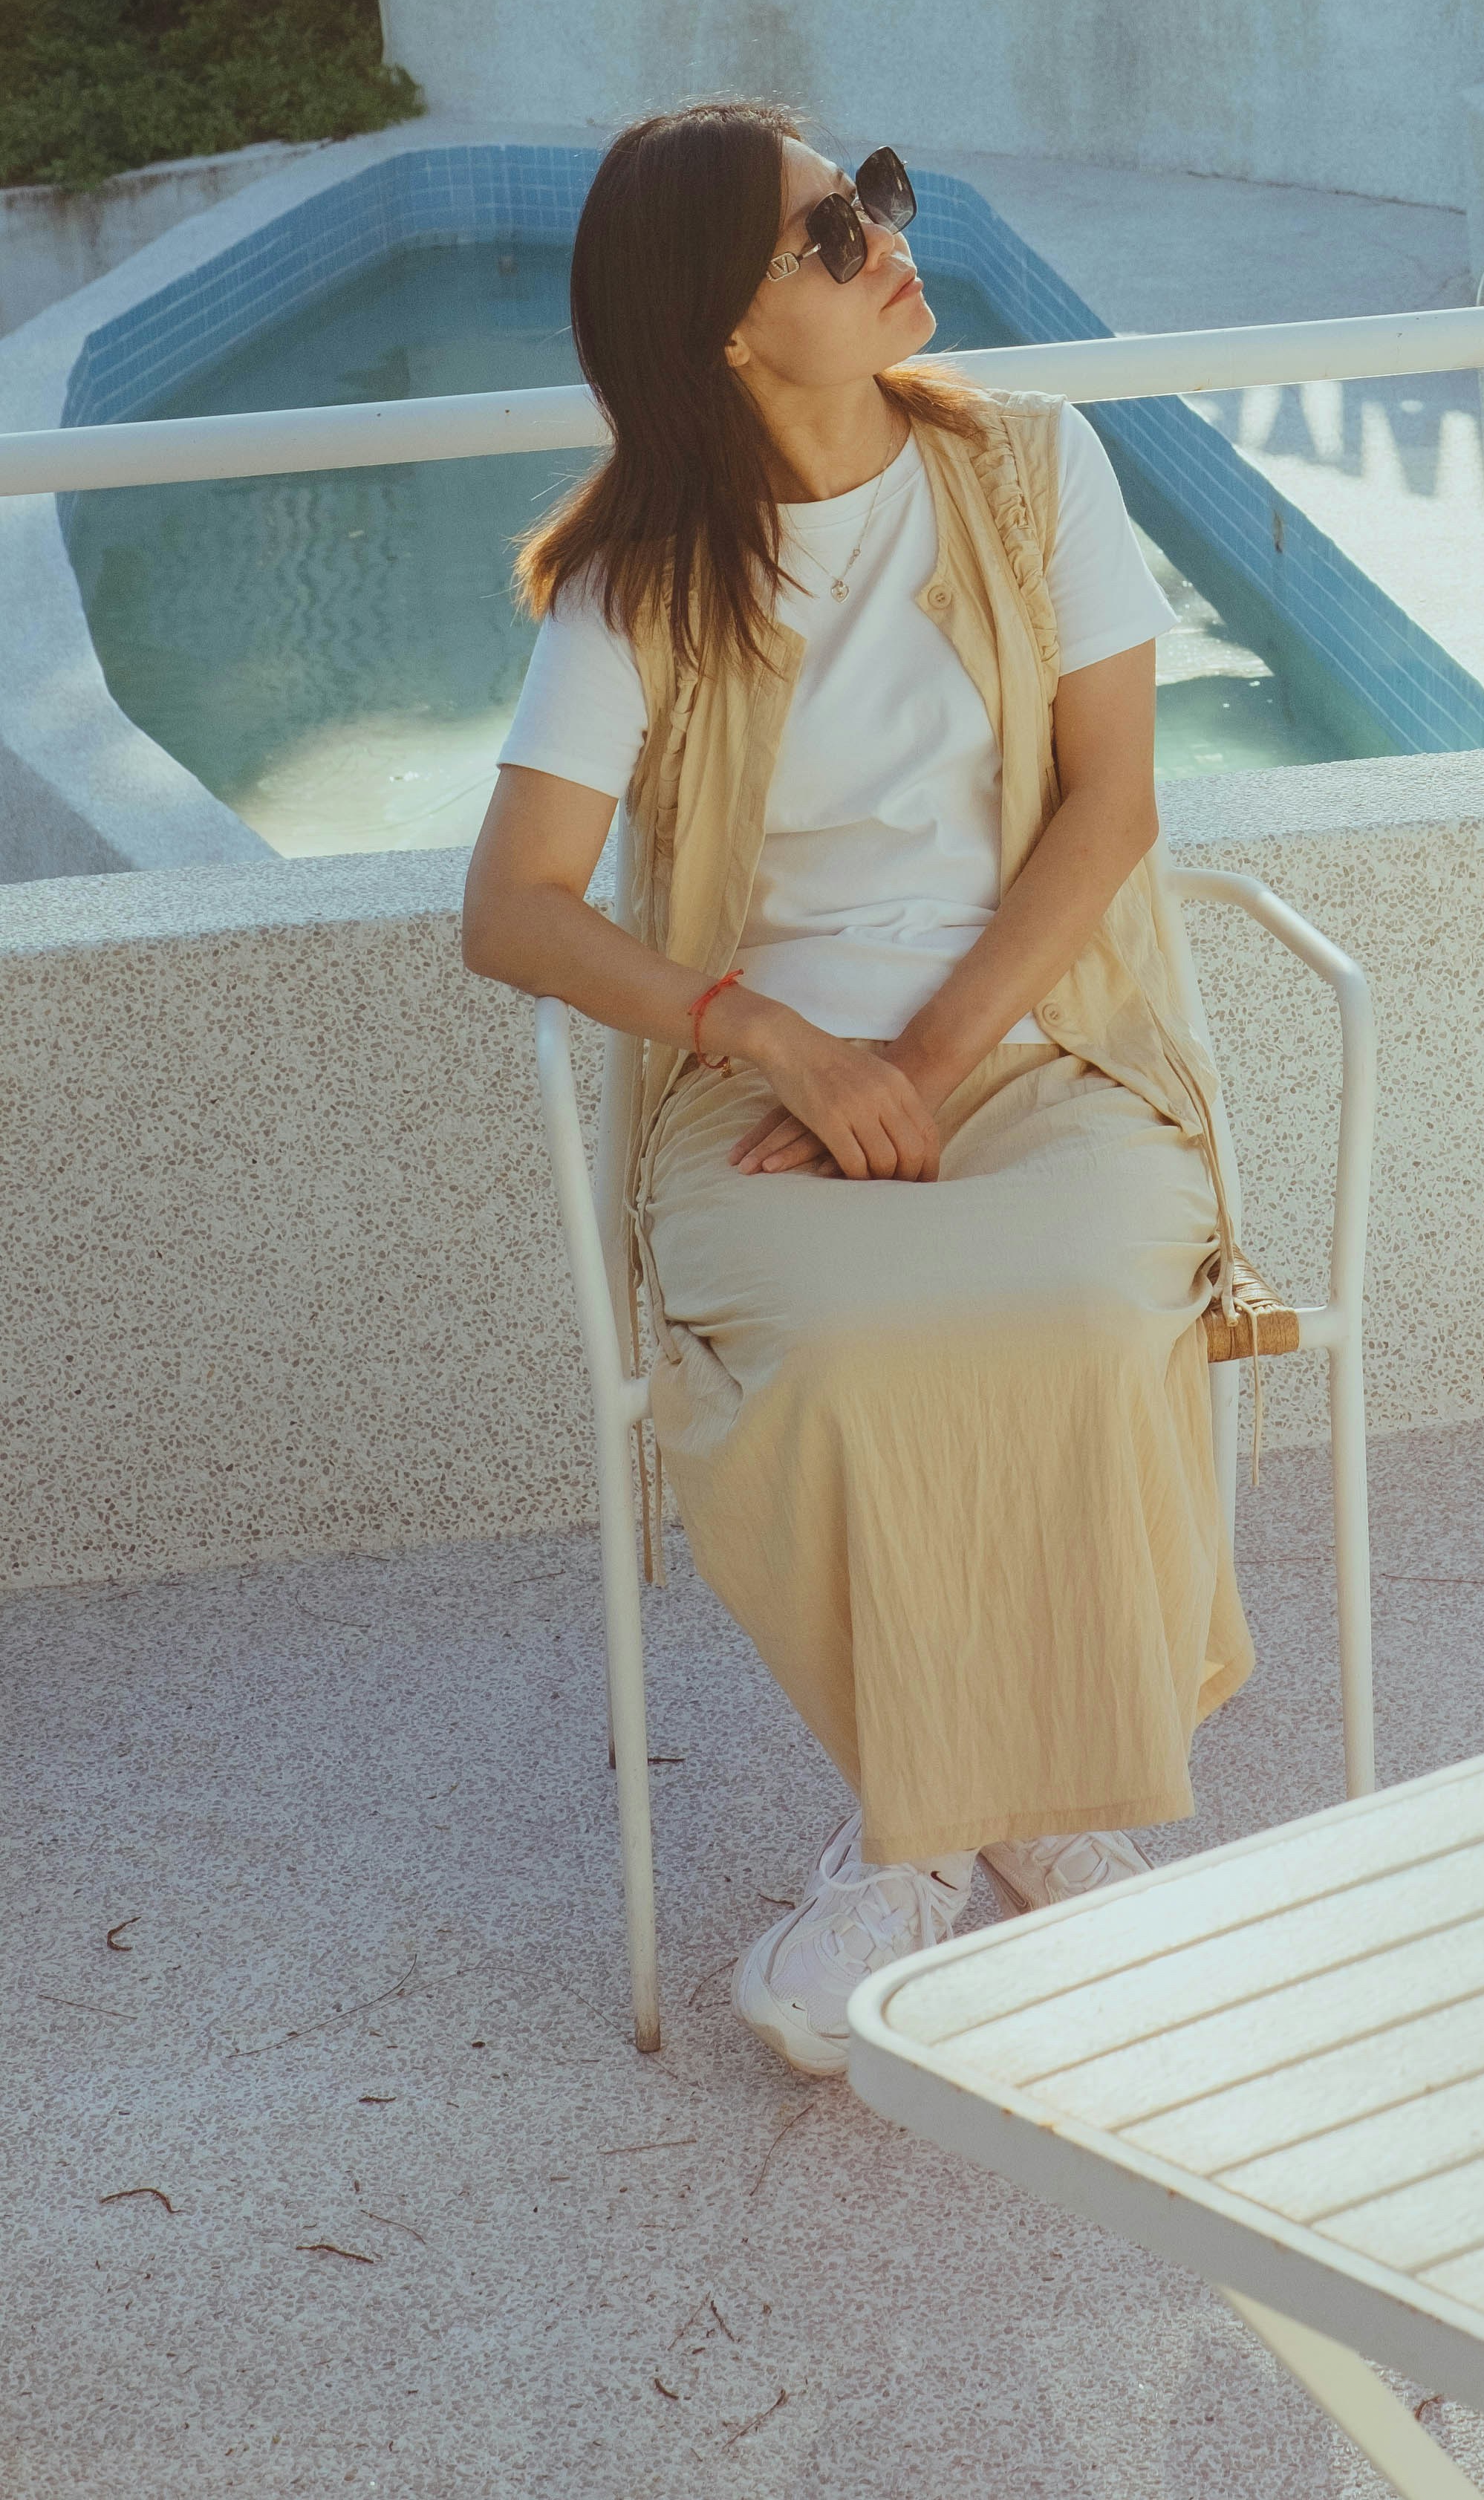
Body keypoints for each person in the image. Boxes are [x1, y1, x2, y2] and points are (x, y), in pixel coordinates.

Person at [461, 100, 1249, 2077]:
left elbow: (1114, 806)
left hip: (1045, 1047)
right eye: (830, 234)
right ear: (723, 326)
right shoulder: (642, 580)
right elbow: (512, 905)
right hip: (769, 1103)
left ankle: (921, 1848)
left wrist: (922, 1061)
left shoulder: (1032, 468)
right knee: (834, 1354)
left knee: (1087, 1310)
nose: (891, 238)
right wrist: (771, 1039)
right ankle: (1010, 1822)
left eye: (873, 198)